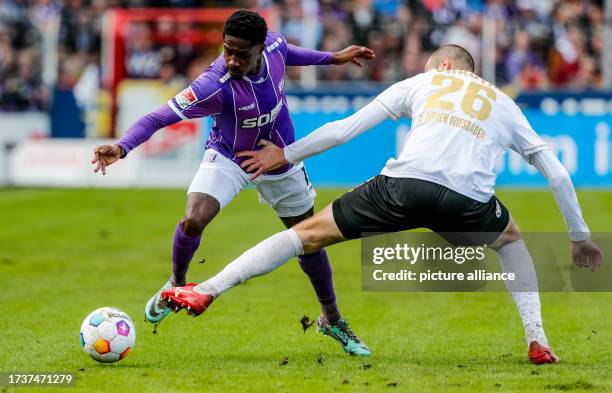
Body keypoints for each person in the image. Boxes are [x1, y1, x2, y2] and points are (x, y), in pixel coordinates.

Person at [160, 44, 603, 365]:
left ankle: (205, 289)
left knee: (306, 235)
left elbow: (344, 130)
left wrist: (286, 154)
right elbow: (558, 174)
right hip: (469, 201)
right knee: (511, 241)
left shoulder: (425, 81)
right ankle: (537, 340)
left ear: (444, 66)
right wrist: (580, 238)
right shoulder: (505, 104)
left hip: (403, 187)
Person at [90, 9, 375, 356]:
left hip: (280, 159)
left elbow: (290, 51)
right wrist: (122, 146)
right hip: (230, 157)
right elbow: (159, 116)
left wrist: (333, 58)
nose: (231, 60)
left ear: (259, 48)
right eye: (227, 50)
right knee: (193, 218)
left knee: (311, 240)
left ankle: (331, 319)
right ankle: (177, 284)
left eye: (241, 53)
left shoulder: (274, 46)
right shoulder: (213, 85)